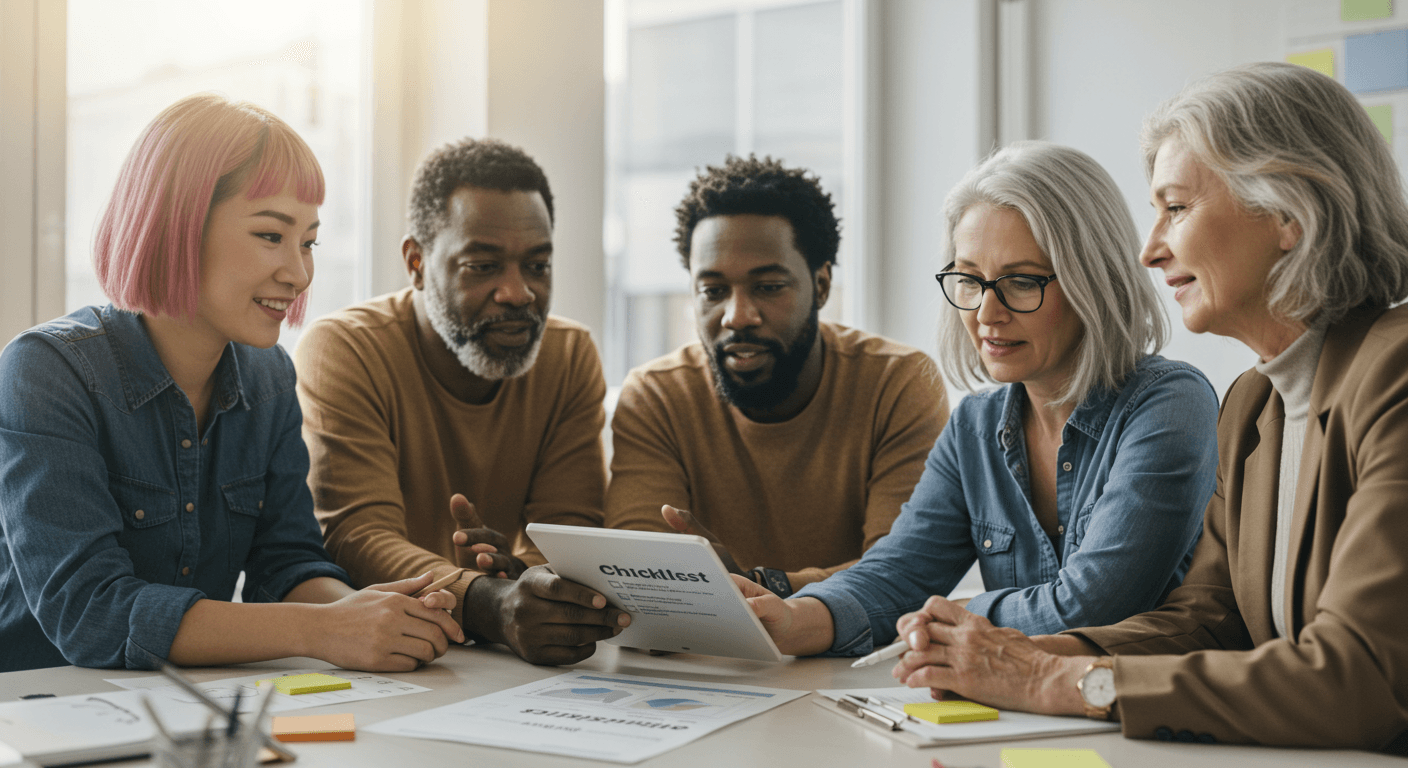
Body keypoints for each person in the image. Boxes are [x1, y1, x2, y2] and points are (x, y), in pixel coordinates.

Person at [888, 62, 1408, 754]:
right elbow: (1209, 619)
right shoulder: (1255, 404)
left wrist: (1059, 681)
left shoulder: (1395, 374)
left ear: (1289, 214)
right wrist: (1016, 656)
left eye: (1177, 207)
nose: (1149, 248)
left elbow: (1359, 680)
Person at [0, 94, 463, 674]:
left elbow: (287, 564)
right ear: (177, 227)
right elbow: (91, 611)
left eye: (309, 241)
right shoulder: (47, 371)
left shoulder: (269, 379)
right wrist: (327, 629)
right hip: (35, 714)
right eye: (271, 235)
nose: (299, 273)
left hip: (190, 713)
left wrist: (374, 617)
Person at [734, 142, 1220, 656]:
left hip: (1140, 720)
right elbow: (901, 570)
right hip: (1021, 716)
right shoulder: (975, 425)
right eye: (969, 279)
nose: (987, 312)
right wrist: (793, 616)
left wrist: (944, 616)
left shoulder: (1170, 404)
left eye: (1020, 281)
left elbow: (1092, 606)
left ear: (1092, 282)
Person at [295, 137, 629, 666]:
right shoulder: (345, 348)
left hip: (490, 670)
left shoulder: (569, 356)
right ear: (417, 262)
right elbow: (356, 537)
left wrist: (519, 574)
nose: (519, 293)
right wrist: (487, 601)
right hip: (380, 656)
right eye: (482, 266)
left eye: (538, 266)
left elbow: (569, 542)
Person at [605, 155, 948, 595]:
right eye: (712, 291)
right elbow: (639, 577)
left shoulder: (897, 385)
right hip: (704, 658)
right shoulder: (656, 397)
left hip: (852, 657)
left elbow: (902, 572)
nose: (737, 316)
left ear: (821, 285)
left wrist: (759, 587)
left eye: (768, 287)